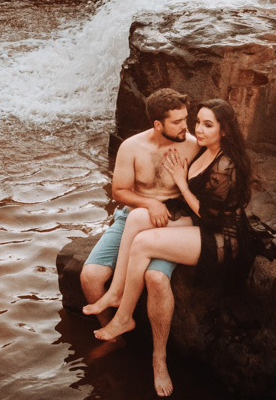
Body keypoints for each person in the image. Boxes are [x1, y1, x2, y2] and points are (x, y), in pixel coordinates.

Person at [92, 99, 253, 376]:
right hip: (202, 222)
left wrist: (180, 181)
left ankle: (125, 318)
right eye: (198, 122)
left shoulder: (227, 163)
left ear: (224, 130)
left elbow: (211, 216)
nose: (197, 130)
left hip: (220, 236)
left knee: (144, 243)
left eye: (207, 125)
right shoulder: (203, 149)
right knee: (137, 217)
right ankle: (117, 291)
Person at [79, 87, 199, 397]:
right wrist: (150, 204)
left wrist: (167, 209)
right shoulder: (132, 147)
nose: (186, 127)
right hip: (133, 216)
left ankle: (159, 360)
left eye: (186, 118)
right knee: (90, 277)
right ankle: (115, 337)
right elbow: (120, 191)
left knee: (155, 279)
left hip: (173, 223)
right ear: (158, 124)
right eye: (177, 122)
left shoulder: (193, 147)